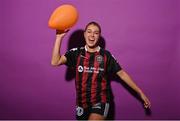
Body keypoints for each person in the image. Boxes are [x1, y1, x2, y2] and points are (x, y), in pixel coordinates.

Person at [51, 21, 151, 120]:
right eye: (89, 32)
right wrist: (59, 37)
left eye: (96, 33)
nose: (92, 35)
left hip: (100, 101)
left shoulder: (106, 56)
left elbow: (122, 74)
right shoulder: (76, 53)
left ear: (99, 36)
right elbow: (55, 62)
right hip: (81, 103)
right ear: (84, 34)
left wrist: (140, 92)